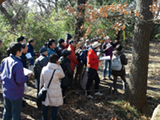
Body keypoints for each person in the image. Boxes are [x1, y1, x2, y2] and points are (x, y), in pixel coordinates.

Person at [0, 42, 30, 120]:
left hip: (6, 90)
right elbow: (20, 80)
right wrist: (27, 77)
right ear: (18, 51)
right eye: (21, 49)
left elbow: (1, 75)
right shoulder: (18, 63)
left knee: (6, 112)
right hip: (15, 93)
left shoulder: (4, 60)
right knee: (16, 114)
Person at [39, 53, 65, 120]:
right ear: (57, 61)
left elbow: (41, 80)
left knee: (45, 106)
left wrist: (40, 89)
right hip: (55, 91)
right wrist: (59, 66)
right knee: (54, 106)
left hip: (46, 89)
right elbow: (63, 75)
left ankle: (44, 118)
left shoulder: (44, 68)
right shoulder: (57, 70)